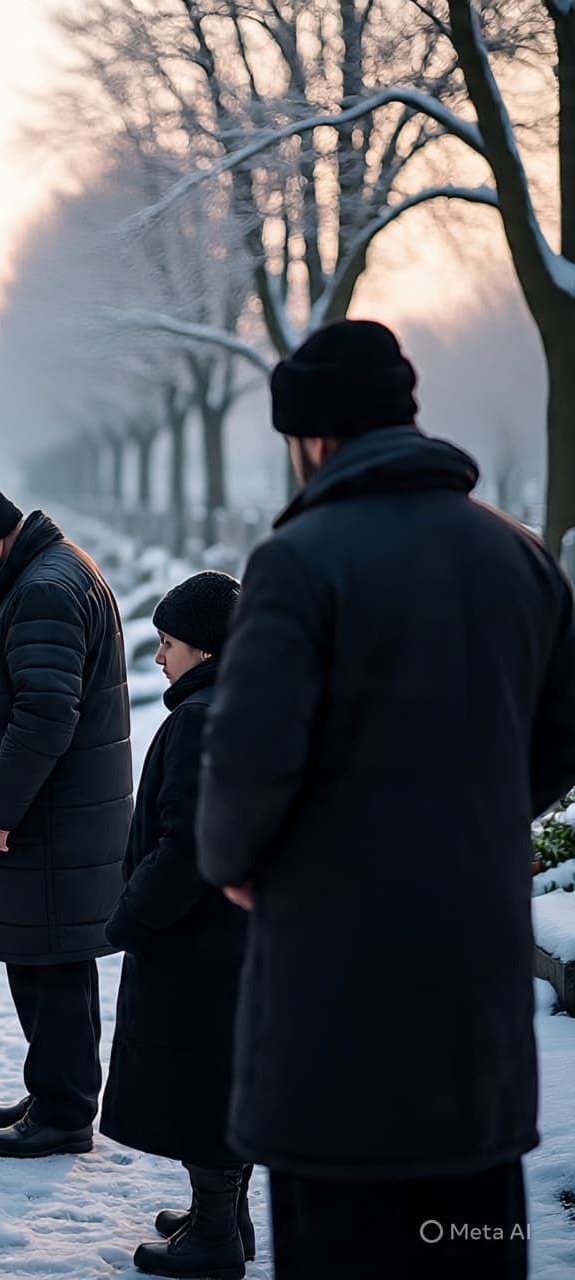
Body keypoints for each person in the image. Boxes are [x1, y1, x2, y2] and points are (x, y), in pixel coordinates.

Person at [196, 319, 575, 1280]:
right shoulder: (523, 558)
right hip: (477, 1016)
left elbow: (244, 769)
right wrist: (478, 816)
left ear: (314, 437)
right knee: (470, 1247)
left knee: (346, 1251)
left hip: (336, 1010)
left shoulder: (299, 560)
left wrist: (239, 863)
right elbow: (563, 740)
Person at [0, 473, 134, 1158]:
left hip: (49, 819)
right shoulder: (49, 572)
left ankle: (66, 1110)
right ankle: (53, 1090)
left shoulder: (44, 589)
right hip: (59, 816)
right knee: (47, 959)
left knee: (53, 965)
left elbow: (46, 712)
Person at [101, 571, 252, 1279]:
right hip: (230, 936)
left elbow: (186, 842)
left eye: (169, 644)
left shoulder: (202, 718)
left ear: (209, 651)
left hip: (199, 938)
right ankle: (225, 1216)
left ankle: (216, 1237)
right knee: (220, 1074)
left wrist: (131, 916)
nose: (159, 657)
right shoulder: (240, 705)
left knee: (198, 1079)